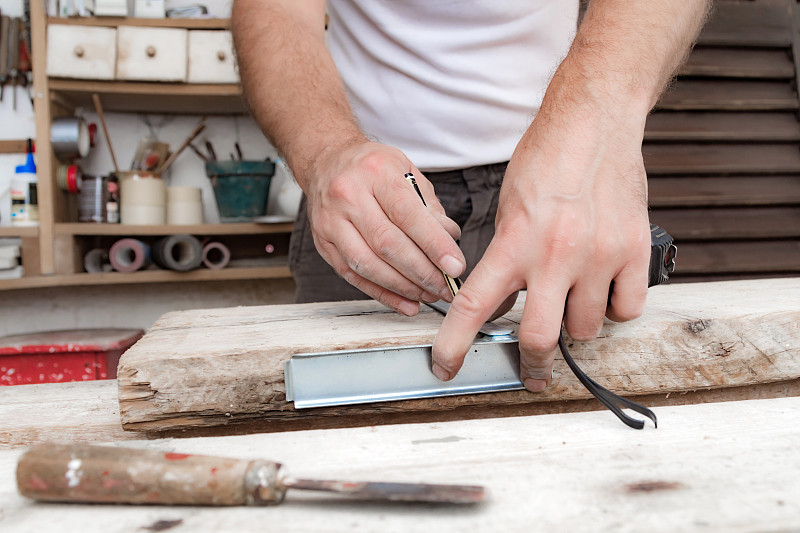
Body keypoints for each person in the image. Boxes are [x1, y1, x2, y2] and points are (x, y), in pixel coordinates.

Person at [232, 1, 710, 392]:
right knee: (339, 412)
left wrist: (592, 121)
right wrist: (325, 152)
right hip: (363, 203)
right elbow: (274, 10)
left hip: (553, 186)